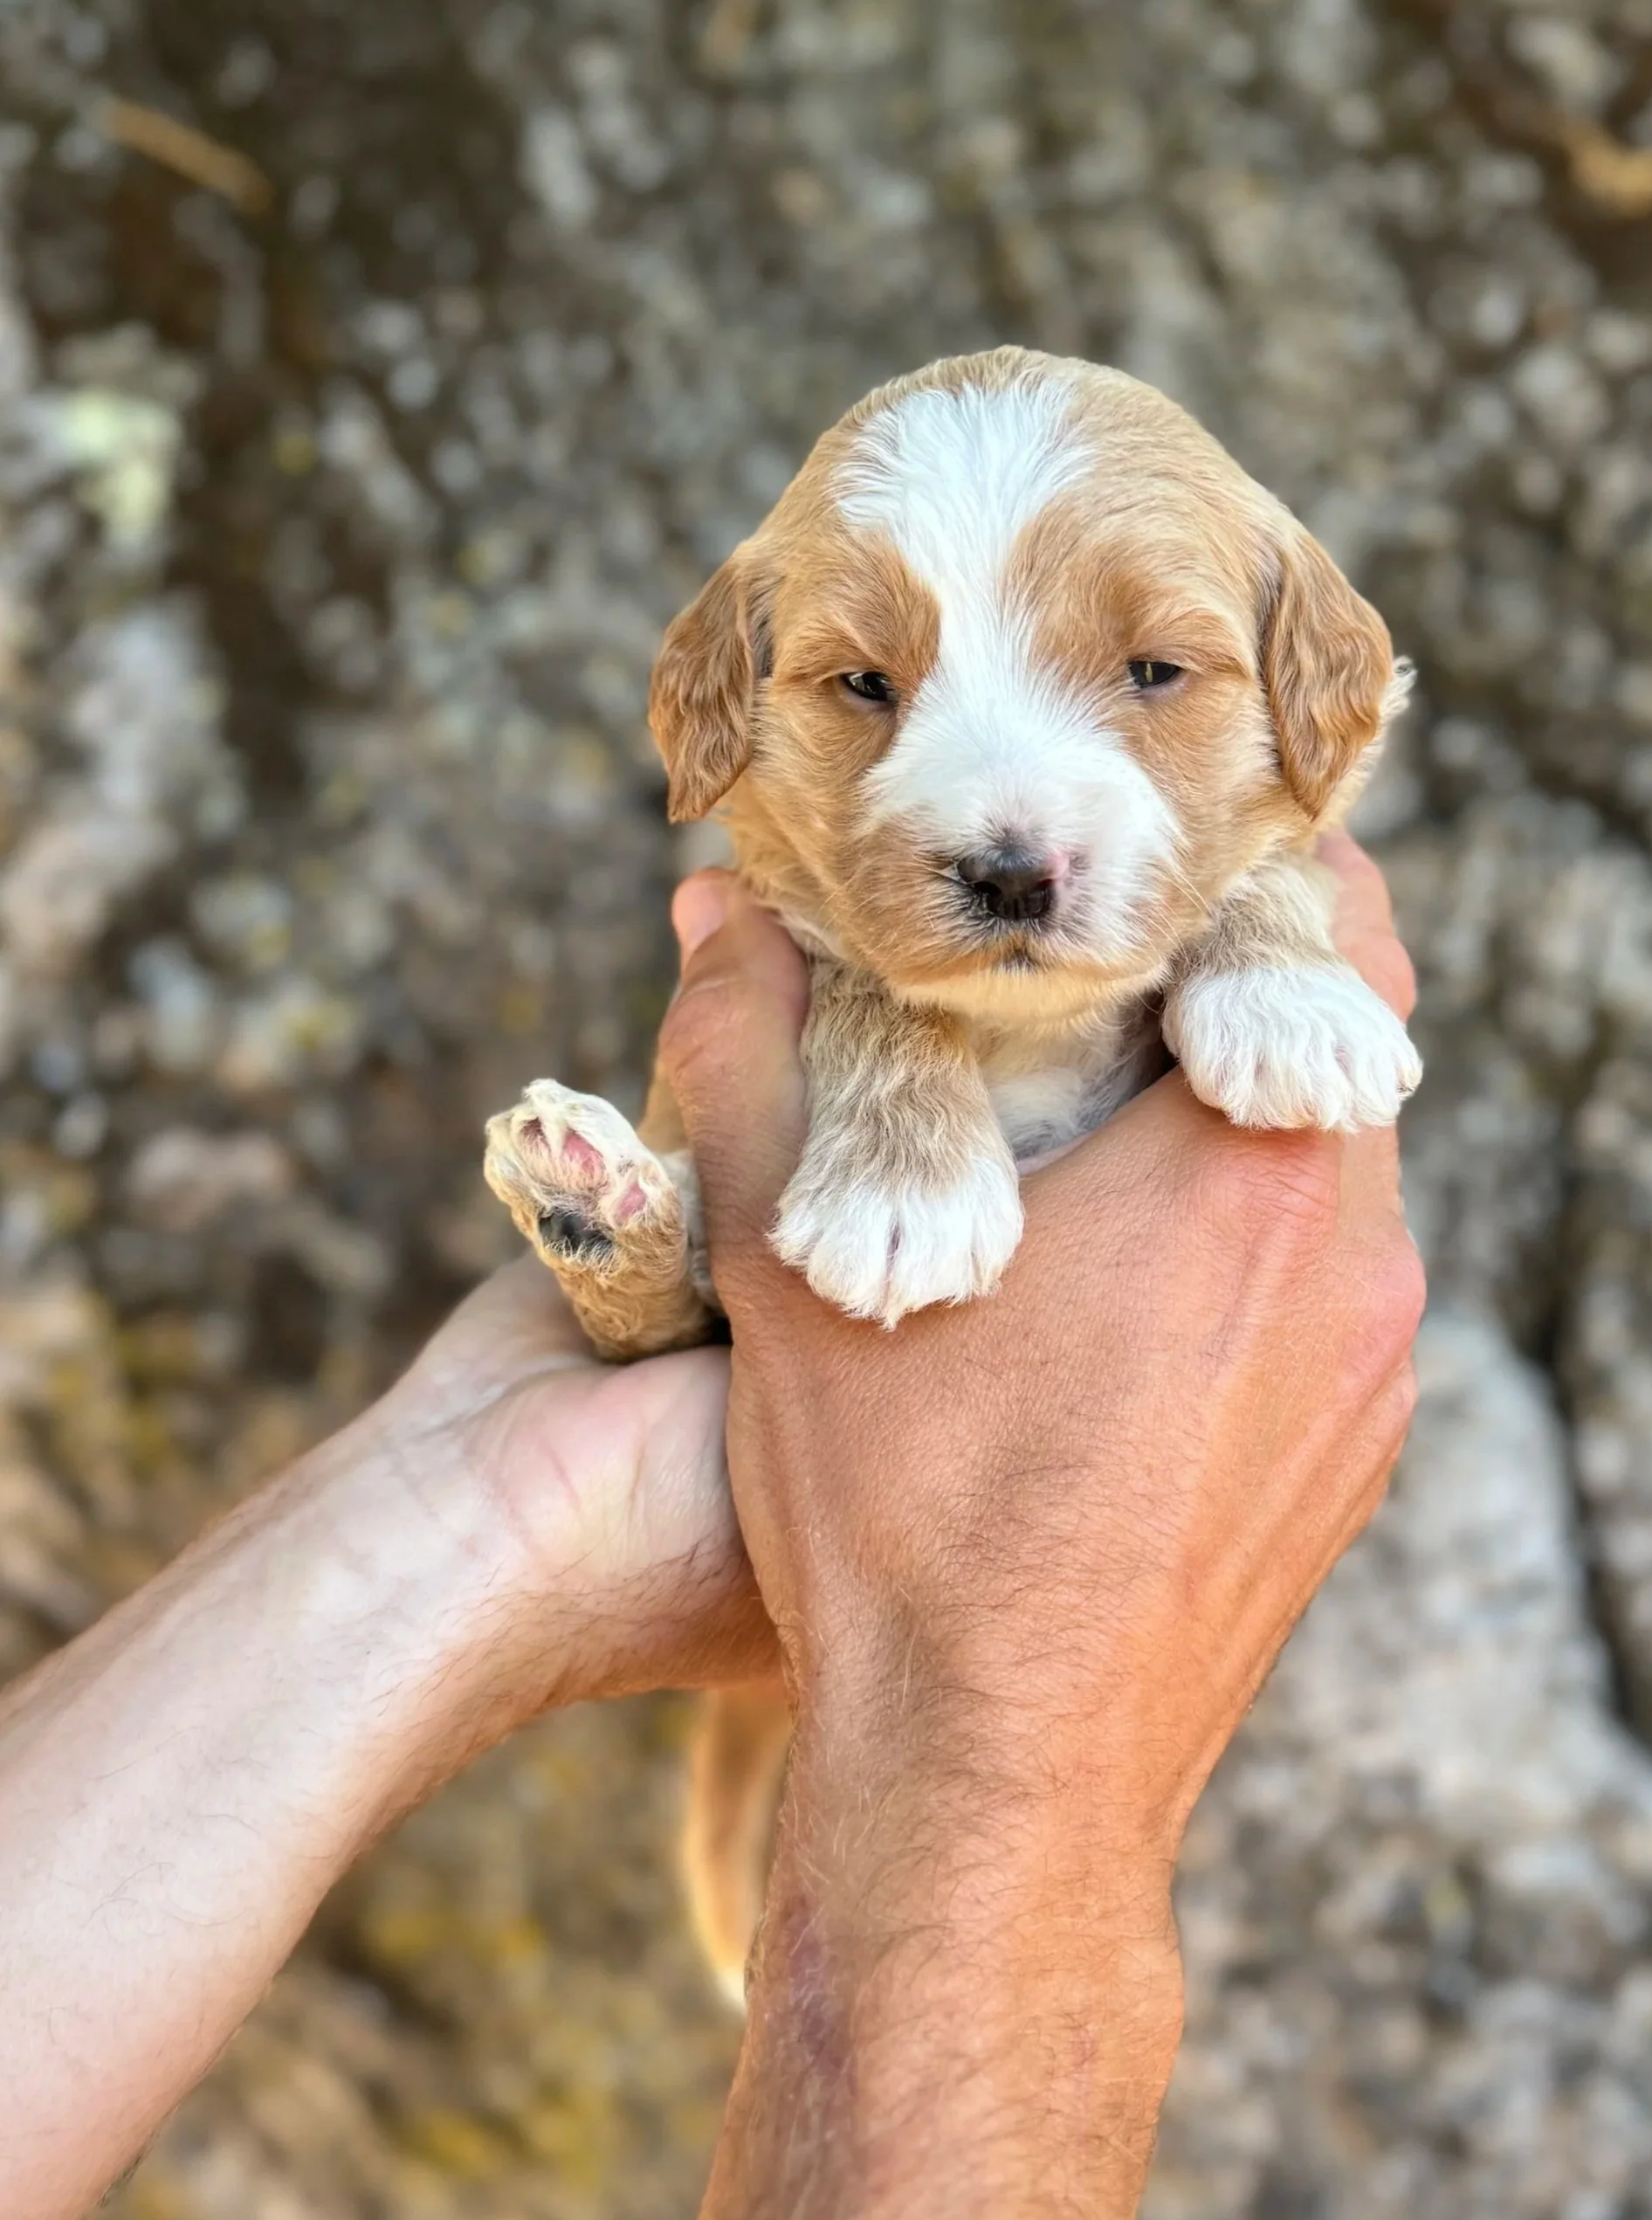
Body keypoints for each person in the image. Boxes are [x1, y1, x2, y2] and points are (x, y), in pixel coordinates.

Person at [0, 836, 1422, 2220]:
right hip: (814, 1289)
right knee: (738, 1197)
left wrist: (478, 1504)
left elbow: (1262, 862)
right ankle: (637, 1270)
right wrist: (1005, 1724)